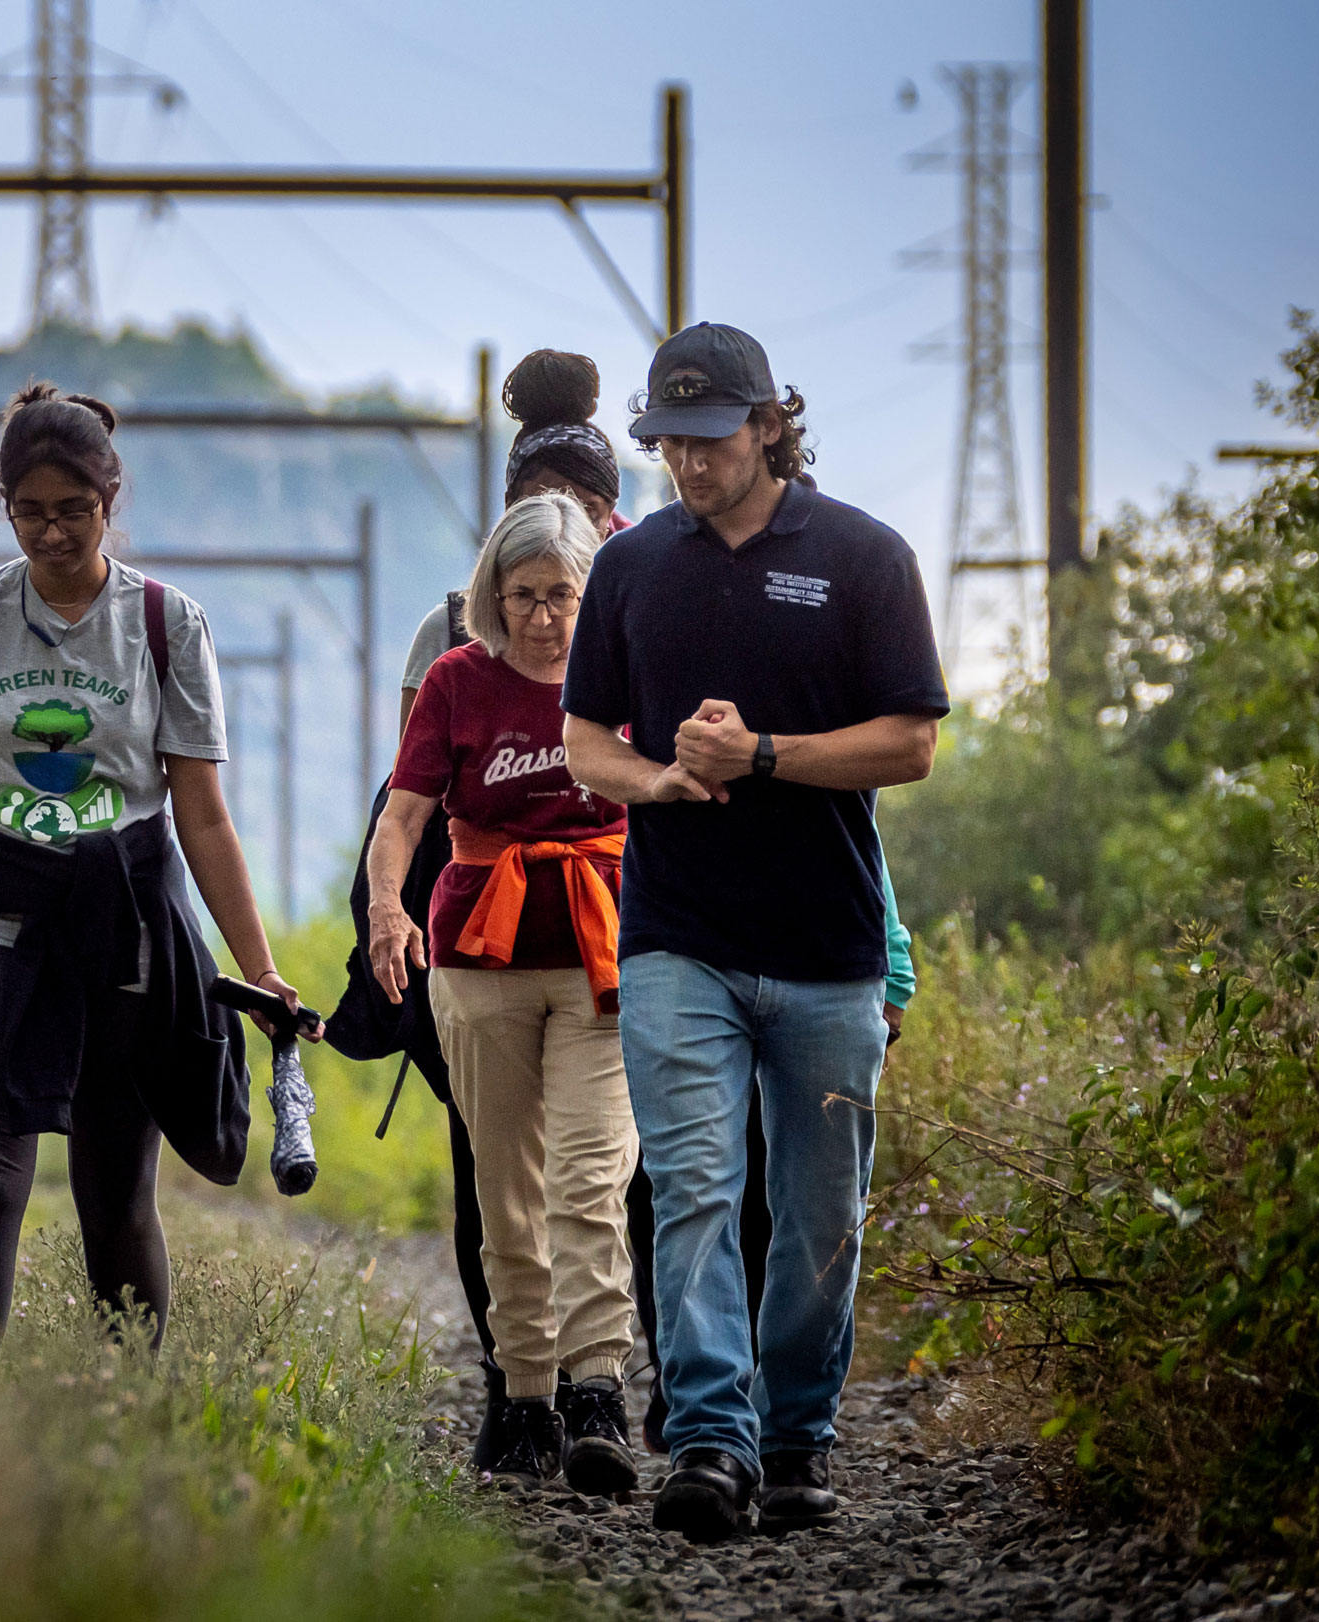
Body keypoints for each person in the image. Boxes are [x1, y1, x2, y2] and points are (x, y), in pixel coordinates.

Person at [561, 323, 947, 1541]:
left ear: (769, 422)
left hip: (829, 947)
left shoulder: (863, 556)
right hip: (677, 935)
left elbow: (913, 742)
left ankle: (795, 1438)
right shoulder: (629, 569)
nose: (684, 461)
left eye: (707, 436)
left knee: (821, 1211)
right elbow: (585, 744)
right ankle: (712, 1437)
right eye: (665, 441)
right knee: (694, 1188)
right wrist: (660, 781)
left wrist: (764, 754)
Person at [0, 382, 304, 1339]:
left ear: (108, 504)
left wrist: (258, 968)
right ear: (5, 506)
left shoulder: (168, 625)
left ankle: (131, 1422)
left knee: (115, 1190)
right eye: (30, 513)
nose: (51, 534)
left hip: (122, 914)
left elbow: (202, 819)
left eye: (72, 512)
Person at [365, 491, 638, 1494]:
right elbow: (402, 817)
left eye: (560, 594)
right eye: (521, 595)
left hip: (602, 960)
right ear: (492, 594)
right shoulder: (455, 681)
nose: (540, 616)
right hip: (478, 960)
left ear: (588, 593)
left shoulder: (625, 679)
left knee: (589, 1173)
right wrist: (385, 912)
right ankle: (525, 1394)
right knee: (504, 1189)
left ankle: (598, 1387)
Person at [396, 351, 631, 733]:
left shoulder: (641, 626)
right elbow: (414, 786)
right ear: (510, 509)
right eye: (541, 507)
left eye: (587, 512)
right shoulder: (450, 634)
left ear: (611, 516)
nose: (563, 528)